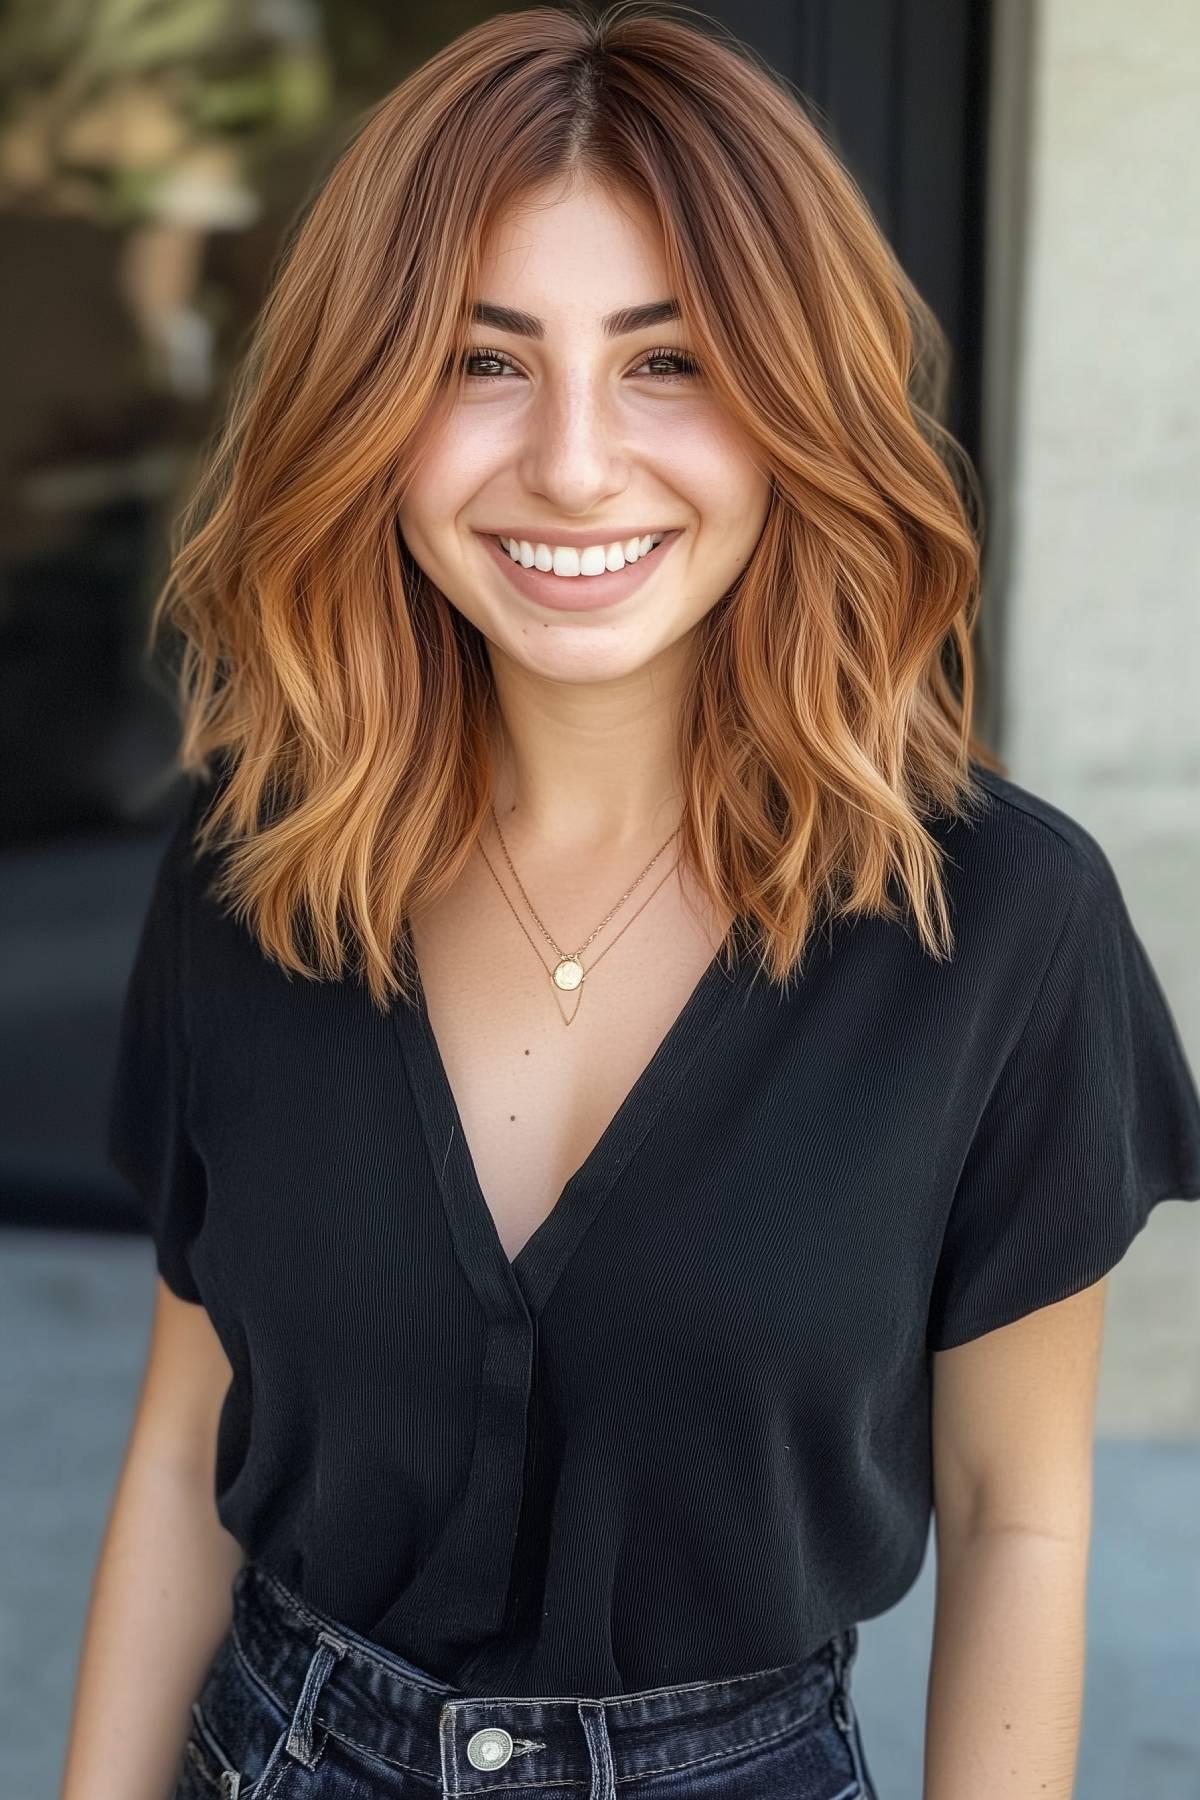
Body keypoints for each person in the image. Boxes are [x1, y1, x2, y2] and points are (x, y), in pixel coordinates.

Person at [61, 6, 1200, 1798]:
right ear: (368, 407)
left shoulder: (1002, 925)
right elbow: (183, 1441)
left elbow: (1017, 1523)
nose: (576, 465)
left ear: (798, 406)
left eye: (669, 363)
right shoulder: (252, 872)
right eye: (483, 360)